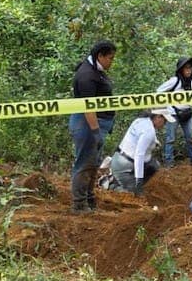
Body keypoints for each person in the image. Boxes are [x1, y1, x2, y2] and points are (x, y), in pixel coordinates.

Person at [68, 41, 117, 214]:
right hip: (87, 124)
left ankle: (88, 199)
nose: (112, 61)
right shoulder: (86, 75)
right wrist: (96, 132)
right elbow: (88, 107)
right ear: (100, 56)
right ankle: (79, 204)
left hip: (96, 123)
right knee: (85, 163)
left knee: (93, 163)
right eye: (110, 58)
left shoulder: (97, 71)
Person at [109, 107, 176, 195]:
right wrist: (139, 180)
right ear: (158, 117)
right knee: (134, 195)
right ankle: (111, 185)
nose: (165, 124)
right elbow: (139, 155)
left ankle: (130, 181)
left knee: (154, 166)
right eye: (165, 121)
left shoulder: (140, 120)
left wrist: (155, 141)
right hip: (124, 166)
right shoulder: (149, 131)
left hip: (120, 158)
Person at [156, 57, 192, 166]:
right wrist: (165, 108)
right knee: (170, 139)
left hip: (187, 112)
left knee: (191, 137)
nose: (188, 70)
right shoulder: (175, 80)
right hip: (173, 113)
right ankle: (169, 163)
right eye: (186, 68)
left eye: (190, 68)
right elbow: (159, 91)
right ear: (181, 69)